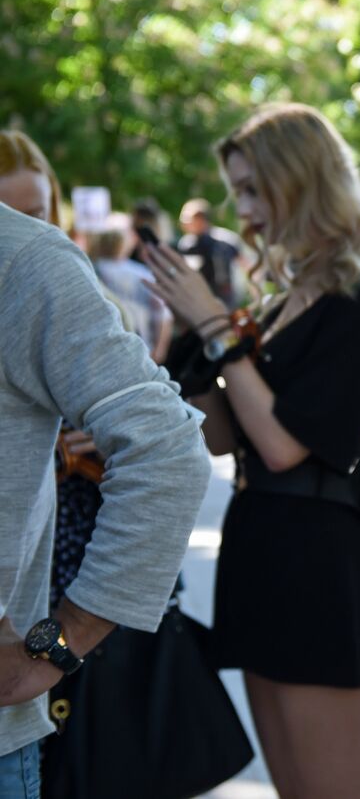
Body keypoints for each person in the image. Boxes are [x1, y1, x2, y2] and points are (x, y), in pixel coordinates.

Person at [144, 103, 360, 799]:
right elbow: (224, 436)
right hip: (259, 550)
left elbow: (286, 446)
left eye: (254, 189)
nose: (245, 212)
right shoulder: (273, 301)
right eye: (237, 192)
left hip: (321, 564)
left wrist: (219, 330)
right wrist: (187, 348)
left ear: (301, 181)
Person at [0, 131, 210, 799]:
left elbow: (168, 446)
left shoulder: (27, 262)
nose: (33, 219)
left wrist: (63, 643)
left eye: (40, 207)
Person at [88, 213, 173, 363]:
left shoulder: (90, 270)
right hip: (141, 350)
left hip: (101, 352)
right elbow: (162, 312)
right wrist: (159, 350)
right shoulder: (142, 274)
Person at [177, 197, 243, 310]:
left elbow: (244, 264)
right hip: (198, 299)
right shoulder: (186, 244)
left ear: (201, 219)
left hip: (225, 300)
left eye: (188, 219)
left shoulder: (225, 240)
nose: (184, 224)